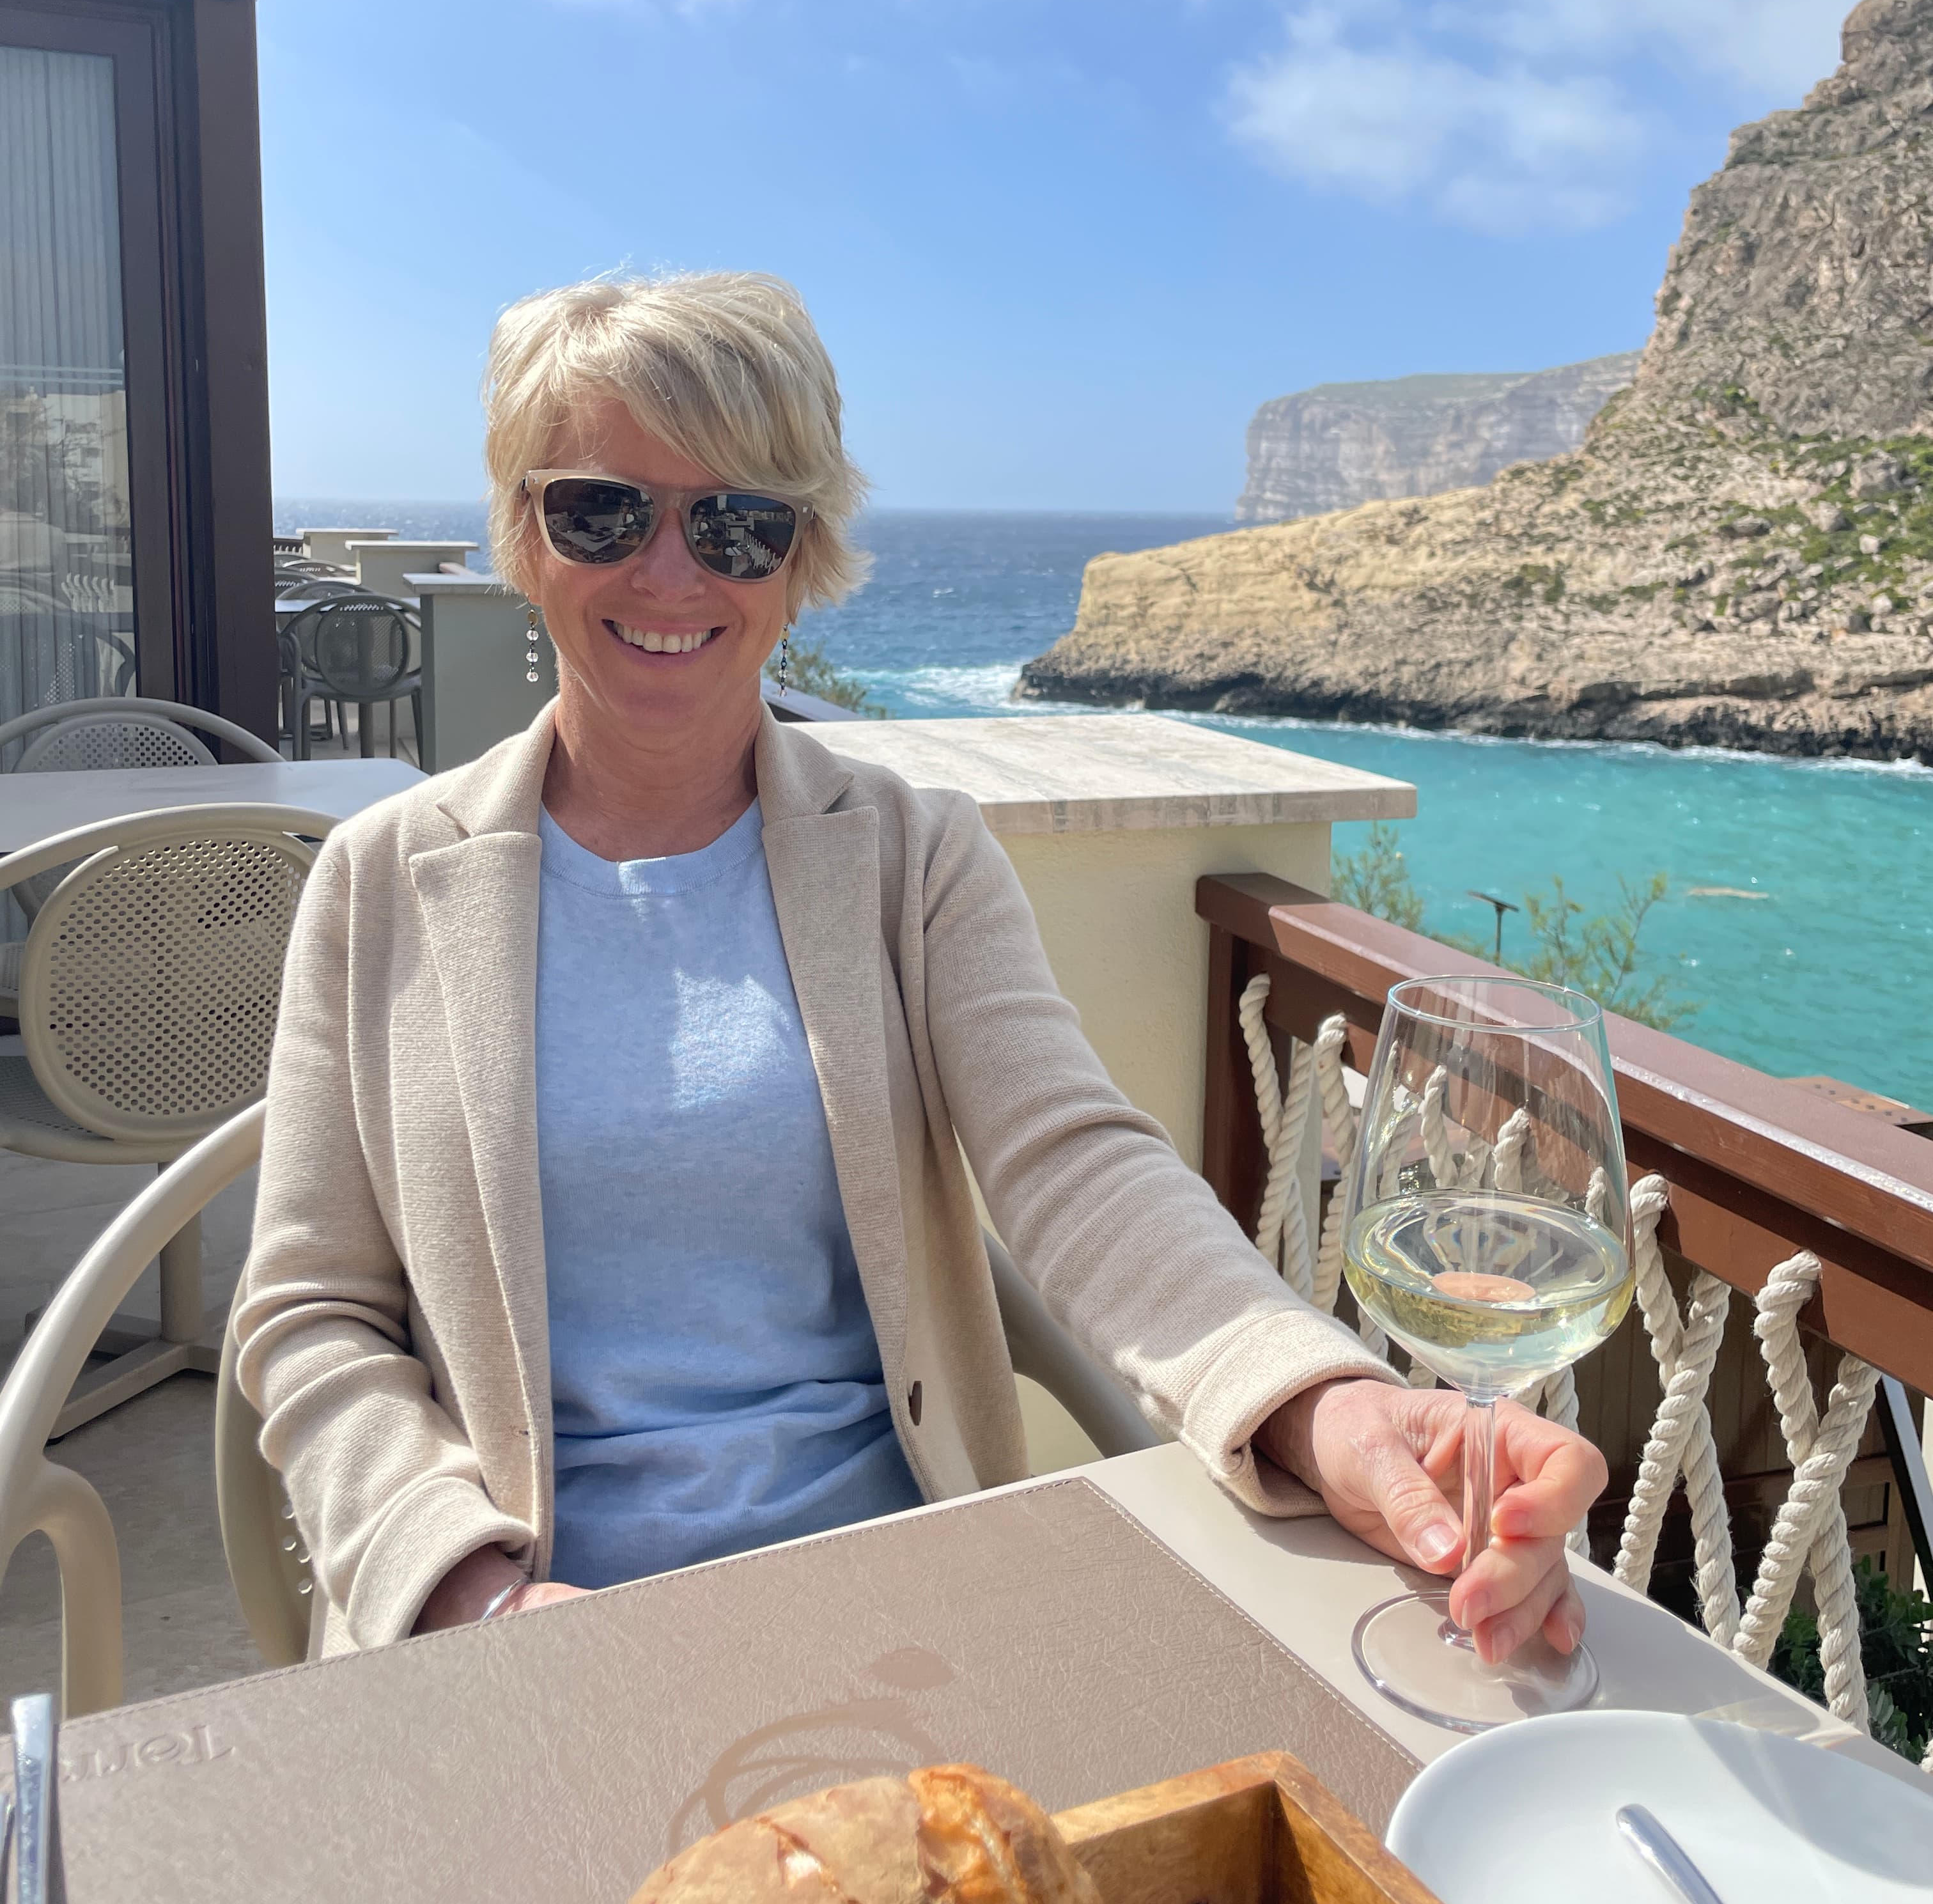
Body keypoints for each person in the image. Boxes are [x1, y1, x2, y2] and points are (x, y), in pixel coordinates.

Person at [237, 270, 1605, 1658]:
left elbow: (1078, 1165)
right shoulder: (379, 881)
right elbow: (309, 1315)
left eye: (737, 523)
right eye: (602, 509)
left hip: (888, 1599)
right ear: (524, 534)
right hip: (520, 1630)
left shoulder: (913, 858)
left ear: (804, 556)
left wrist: (1327, 1400)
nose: (667, 572)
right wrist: (469, 1586)